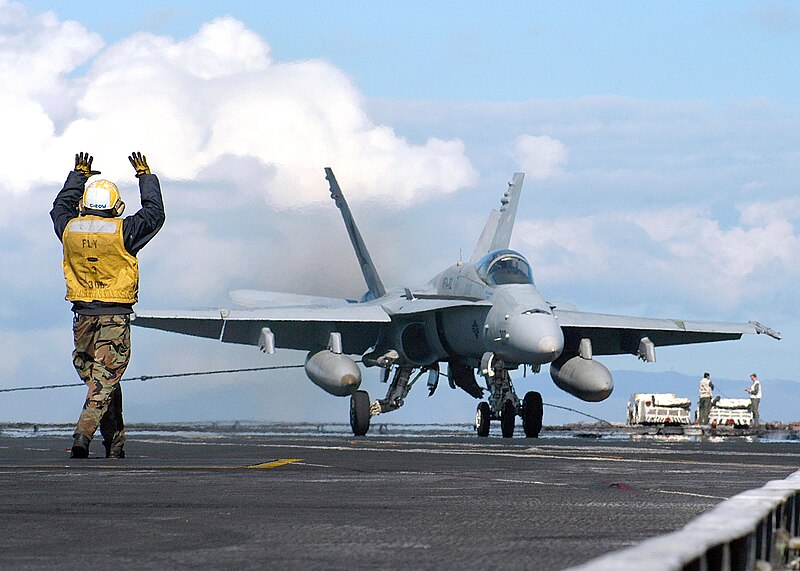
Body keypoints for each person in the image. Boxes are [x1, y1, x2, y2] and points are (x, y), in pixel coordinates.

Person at [50, 151, 165, 458]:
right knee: (105, 381)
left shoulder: (69, 229)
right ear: (115, 206)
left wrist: (78, 176)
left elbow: (59, 208)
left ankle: (115, 443)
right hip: (114, 316)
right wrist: (145, 177)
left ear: (84, 204)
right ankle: (83, 434)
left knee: (101, 379)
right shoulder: (123, 232)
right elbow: (154, 215)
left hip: (82, 317)